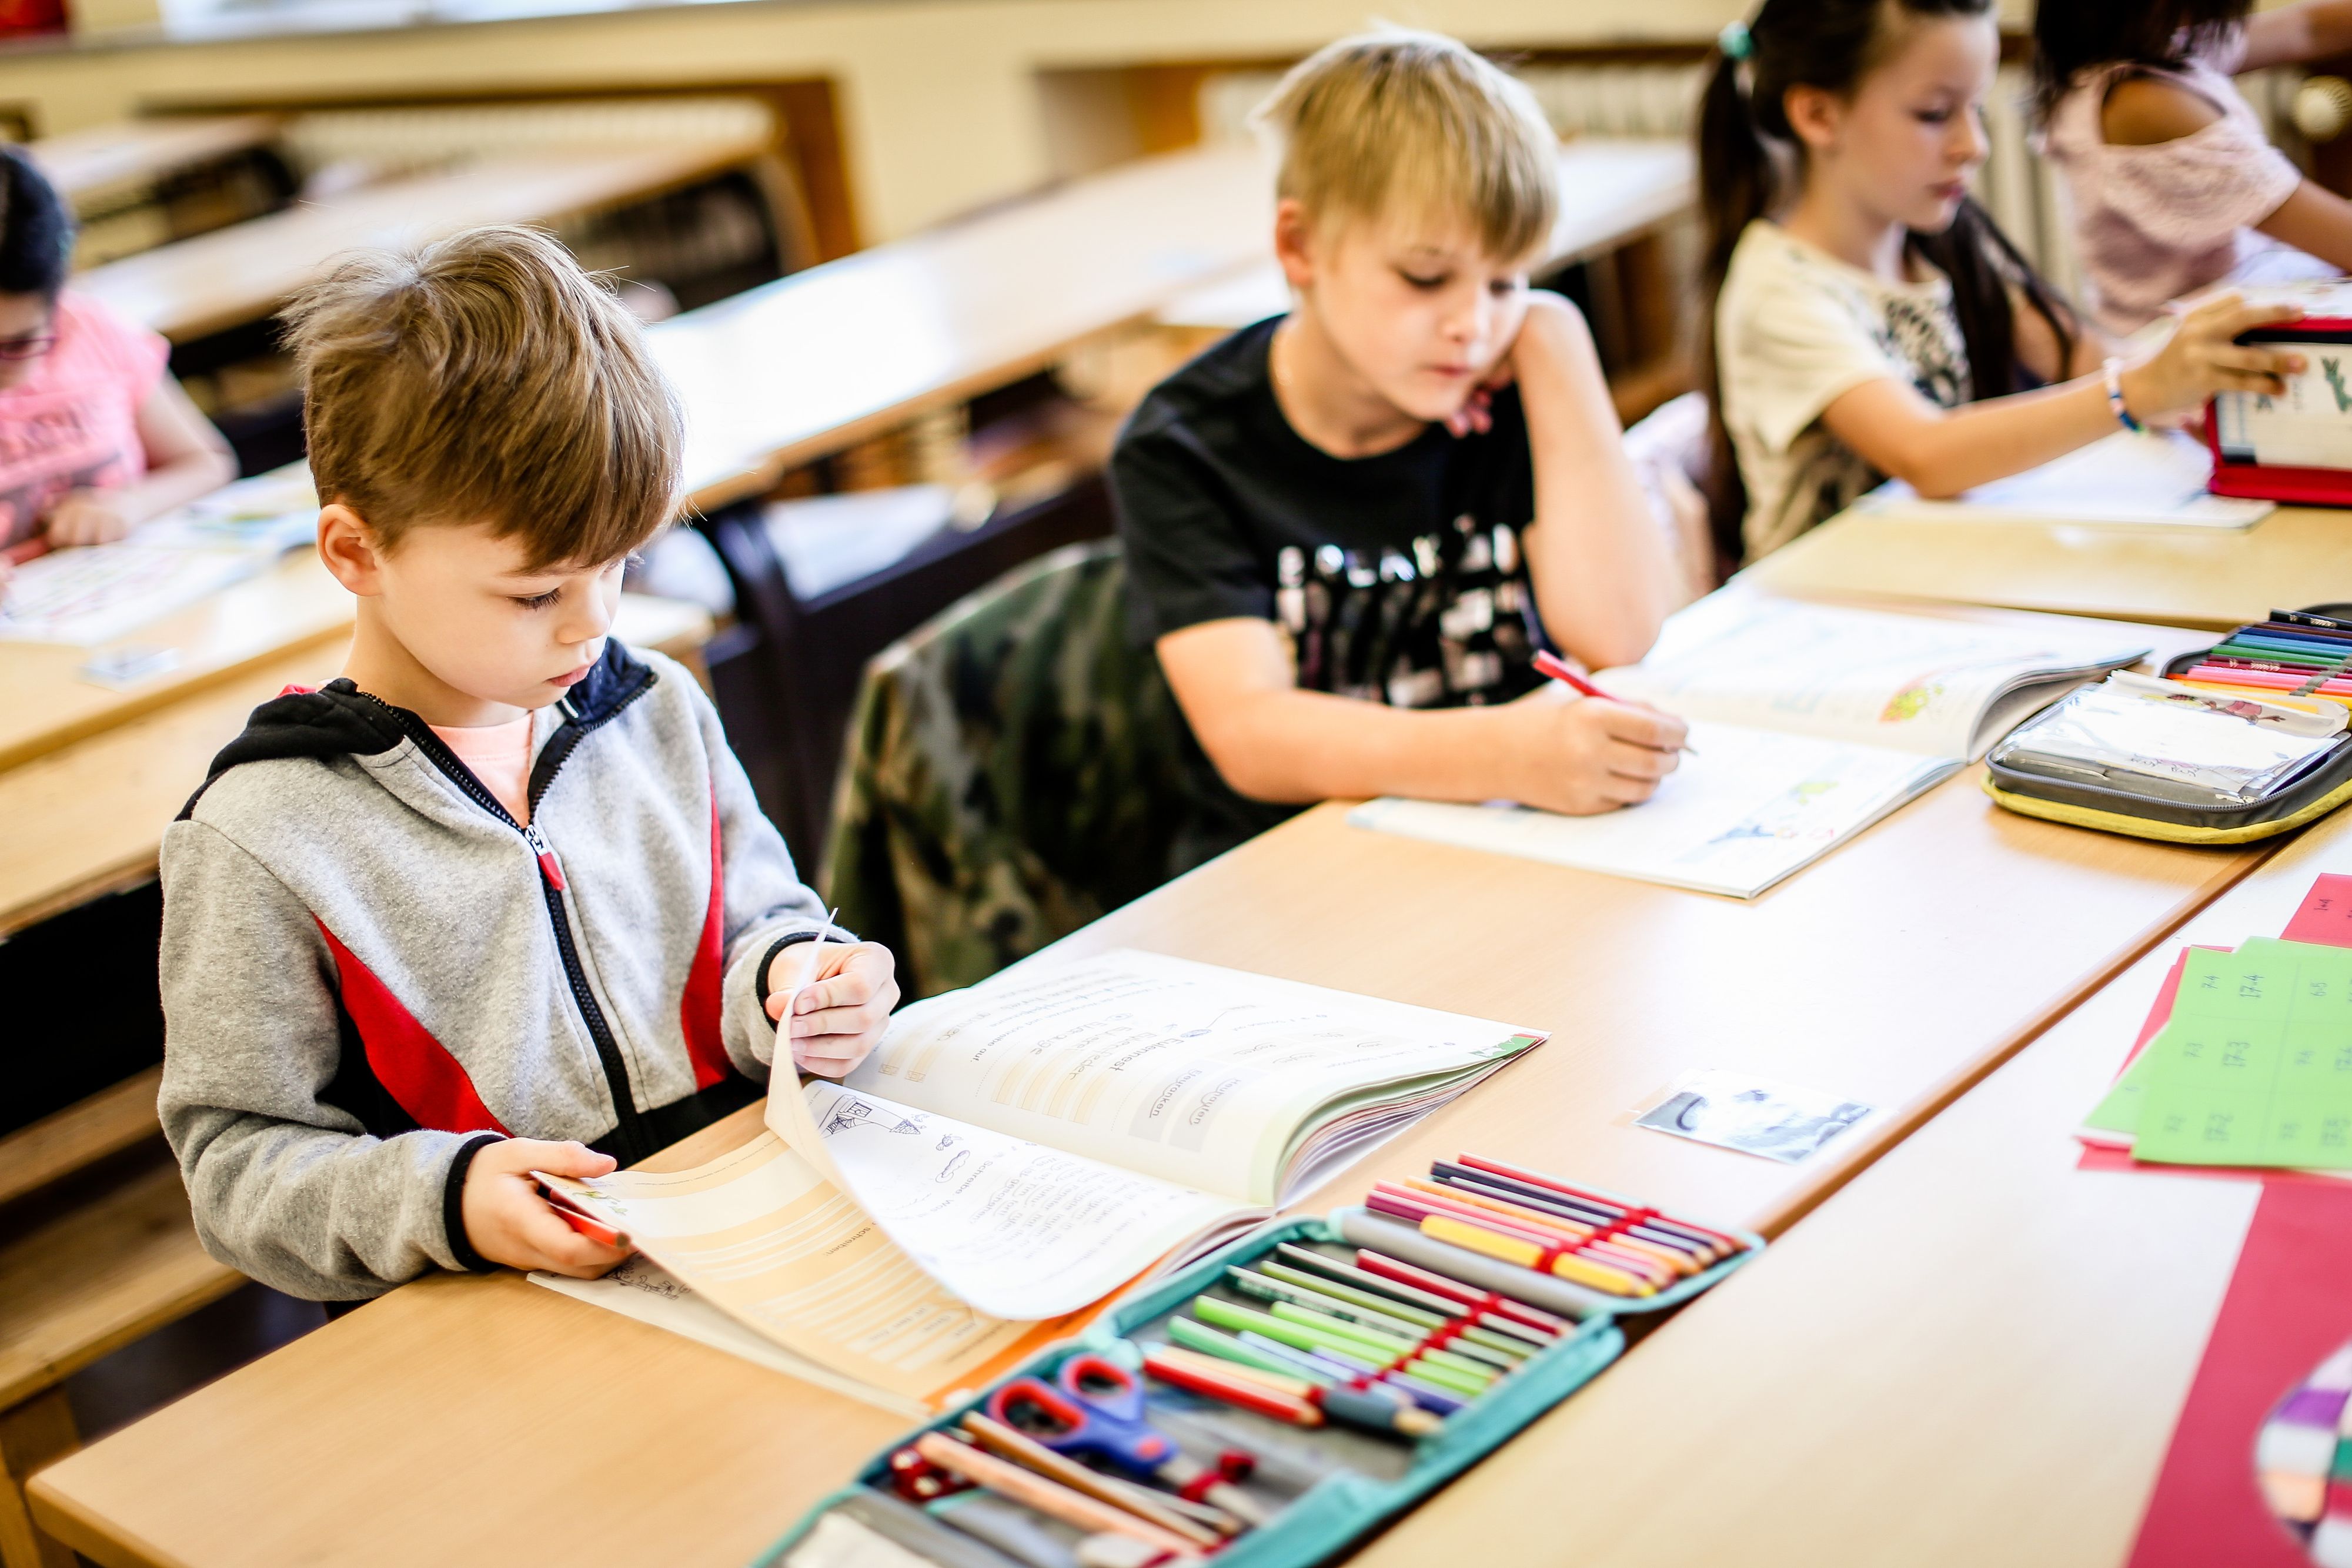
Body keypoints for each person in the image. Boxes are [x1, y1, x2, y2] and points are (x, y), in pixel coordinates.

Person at [157, 226, 898, 1301]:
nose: (592, 625)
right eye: (538, 592)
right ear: (356, 553)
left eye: (619, 566)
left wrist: (796, 984)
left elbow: (759, 923)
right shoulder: (264, 835)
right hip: (498, 1309)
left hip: (745, 1231)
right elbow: (238, 1167)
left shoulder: (655, 708)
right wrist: (451, 1198)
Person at [1108, 29, 1691, 855]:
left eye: (1506, 281)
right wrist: (1507, 755)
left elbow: (1620, 631)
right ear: (1300, 246)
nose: (1473, 325)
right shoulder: (1185, 445)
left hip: (1516, 840)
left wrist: (1555, 338)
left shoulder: (1516, 379)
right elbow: (1251, 733)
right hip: (1302, 862)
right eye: (1426, 278)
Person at [1700, 0, 2305, 566]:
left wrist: (2196, 378)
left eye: (1977, 111)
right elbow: (1925, 454)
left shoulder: (1939, 240)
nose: (1974, 147)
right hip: (1818, 611)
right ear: (1817, 114)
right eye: (1935, 114)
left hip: (1942, 574)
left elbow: (2082, 358)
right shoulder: (1778, 290)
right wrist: (2138, 390)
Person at [2035, 0, 2352, 337]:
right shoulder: (2144, 103)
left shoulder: (2145, 50)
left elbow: (2307, 28)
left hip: (2227, 307)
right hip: (2183, 352)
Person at [0, 146, 233, 580]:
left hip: (121, 597)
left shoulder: (93, 330)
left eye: (17, 344)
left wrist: (130, 504)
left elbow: (208, 463)